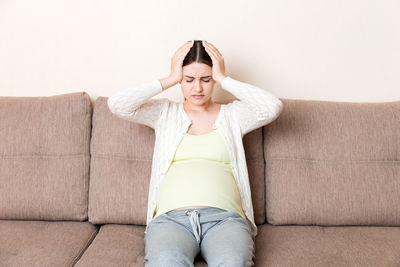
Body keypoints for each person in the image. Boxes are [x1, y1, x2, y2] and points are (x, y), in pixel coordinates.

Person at [107, 40, 283, 267]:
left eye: (206, 79)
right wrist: (170, 78)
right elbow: (117, 104)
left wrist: (224, 78)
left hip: (224, 221)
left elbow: (272, 107)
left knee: (233, 262)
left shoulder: (233, 116)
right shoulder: (164, 114)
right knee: (166, 262)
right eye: (189, 80)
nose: (197, 88)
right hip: (171, 222)